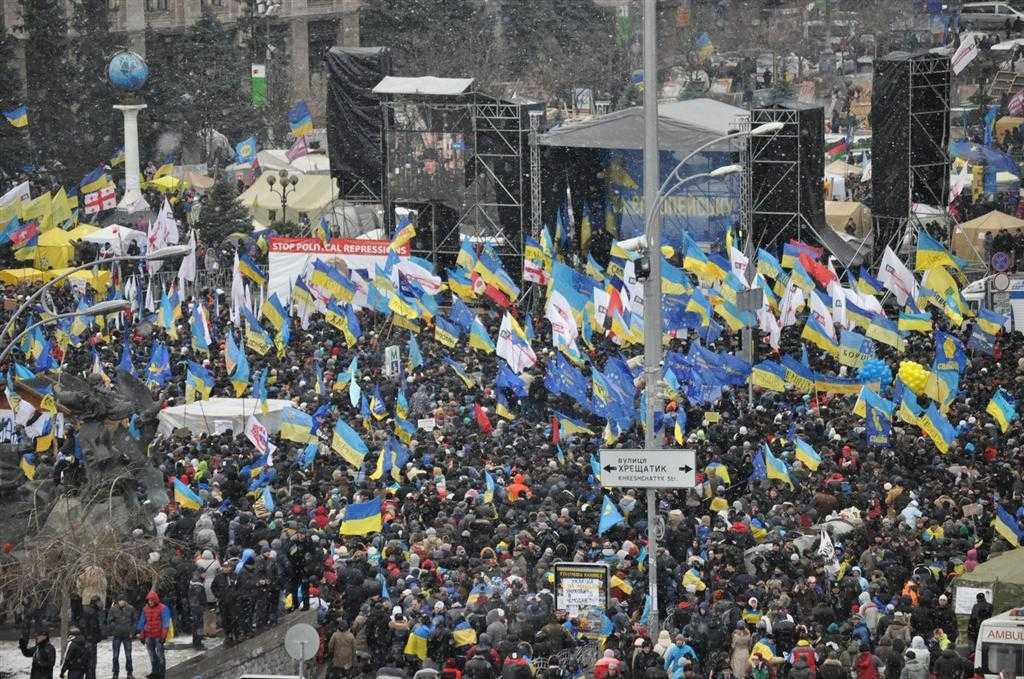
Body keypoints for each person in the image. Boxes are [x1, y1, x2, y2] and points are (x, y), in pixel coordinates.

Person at [136, 591, 171, 679]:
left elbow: (166, 624)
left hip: (158, 635)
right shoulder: (145, 609)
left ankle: (161, 673)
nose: (150, 602)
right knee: (152, 654)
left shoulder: (163, 608)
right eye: (149, 600)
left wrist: (163, 636)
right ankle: (155, 671)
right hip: (148, 635)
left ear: (155, 600)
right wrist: (141, 635)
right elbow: (142, 622)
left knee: (160, 655)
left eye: (152, 600)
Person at [106, 597, 137, 679]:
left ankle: (129, 672)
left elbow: (134, 621)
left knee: (128, 655)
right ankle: (115, 672)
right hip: (117, 635)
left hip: (127, 635)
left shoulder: (131, 608)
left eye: (122, 600)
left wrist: (132, 632)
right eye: (120, 601)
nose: (121, 602)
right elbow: (109, 620)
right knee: (115, 656)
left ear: (125, 601)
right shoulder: (113, 609)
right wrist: (115, 628)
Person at [78, 595, 104, 679]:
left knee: (89, 663)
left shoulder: (90, 611)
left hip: (89, 640)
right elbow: (91, 627)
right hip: (89, 641)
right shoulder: (91, 612)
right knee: (91, 664)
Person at [188, 568, 207, 650]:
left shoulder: (194, 581)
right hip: (197, 607)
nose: (205, 575)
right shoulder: (198, 584)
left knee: (196, 625)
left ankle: (196, 640)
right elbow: (199, 596)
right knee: (199, 626)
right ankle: (198, 643)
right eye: (204, 573)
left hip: (194, 606)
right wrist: (202, 605)